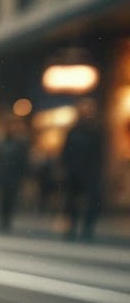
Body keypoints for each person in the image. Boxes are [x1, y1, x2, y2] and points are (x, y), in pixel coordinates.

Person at [60, 98, 106, 240]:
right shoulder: (73, 131)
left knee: (92, 201)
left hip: (90, 171)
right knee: (72, 202)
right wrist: (65, 167)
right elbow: (65, 151)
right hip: (74, 171)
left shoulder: (96, 131)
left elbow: (100, 153)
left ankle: (87, 228)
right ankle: (71, 227)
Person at [0, 117, 29, 233]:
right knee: (2, 200)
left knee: (10, 200)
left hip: (13, 178)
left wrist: (22, 177)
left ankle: (7, 221)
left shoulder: (19, 145)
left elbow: (23, 163)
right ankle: (2, 221)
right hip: (1, 177)